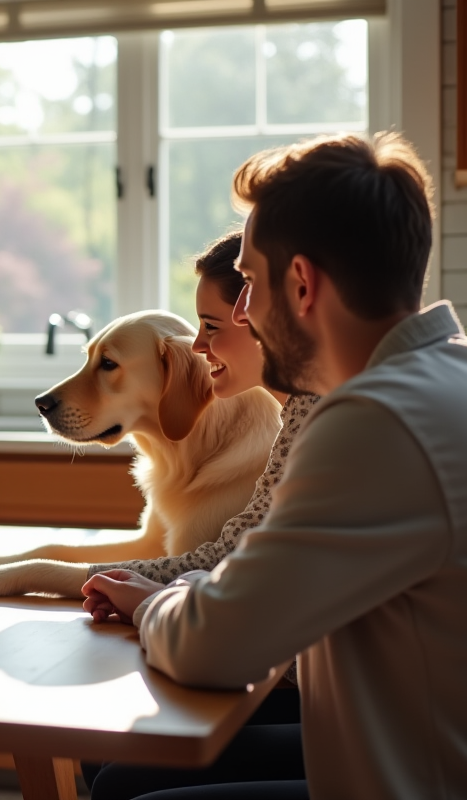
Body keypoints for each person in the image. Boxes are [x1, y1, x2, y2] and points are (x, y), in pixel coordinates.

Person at [82, 132, 467, 800]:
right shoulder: (445, 375)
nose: (241, 312)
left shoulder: (375, 422)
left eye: (250, 283)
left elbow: (215, 648)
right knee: (127, 772)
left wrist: (158, 604)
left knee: (128, 794)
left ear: (302, 283)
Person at [82, 230, 314, 798]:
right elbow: (236, 557)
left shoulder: (347, 424)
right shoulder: (308, 410)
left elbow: (225, 635)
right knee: (104, 759)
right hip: (356, 709)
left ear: (300, 296)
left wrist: (154, 601)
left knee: (119, 784)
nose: (199, 345)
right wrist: (148, 587)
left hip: (399, 750)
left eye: (213, 325)